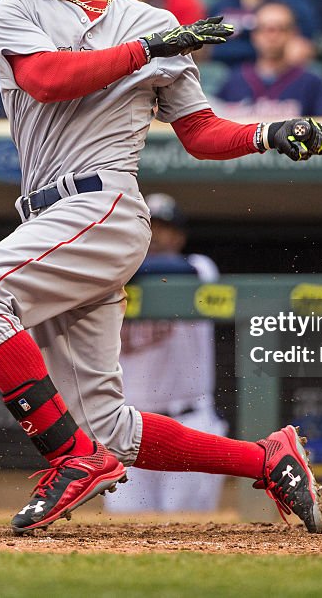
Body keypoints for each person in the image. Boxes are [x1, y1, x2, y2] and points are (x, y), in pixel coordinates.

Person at [0, 0, 322, 535]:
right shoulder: (16, 12)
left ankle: (70, 460)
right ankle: (268, 460)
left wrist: (269, 133)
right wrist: (151, 51)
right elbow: (48, 79)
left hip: (102, 204)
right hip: (50, 217)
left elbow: (200, 132)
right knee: (109, 428)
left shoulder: (152, 23)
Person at [103, 194, 228, 514]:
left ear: (180, 236)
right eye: (148, 226)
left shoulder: (200, 269)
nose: (156, 236)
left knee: (191, 531)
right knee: (123, 533)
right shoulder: (105, 278)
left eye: (165, 228)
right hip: (128, 426)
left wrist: (118, 263)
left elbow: (172, 269)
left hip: (189, 421)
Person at [215, 2, 322, 120]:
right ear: (254, 35)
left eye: (280, 29)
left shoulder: (311, 82)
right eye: (266, 29)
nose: (272, 37)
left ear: (293, 33)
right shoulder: (234, 81)